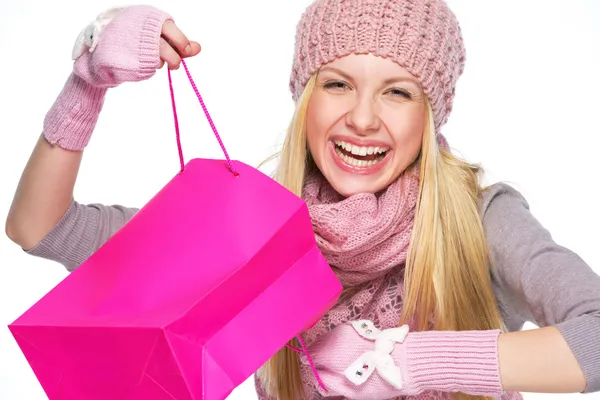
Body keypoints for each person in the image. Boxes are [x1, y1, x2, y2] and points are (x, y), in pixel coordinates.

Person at [4, 1, 600, 400]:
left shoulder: (479, 221)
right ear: (304, 99)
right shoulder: (251, 228)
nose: (362, 119)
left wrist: (402, 362)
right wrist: (86, 84)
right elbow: (41, 228)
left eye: (397, 92)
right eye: (337, 84)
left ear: (430, 112)